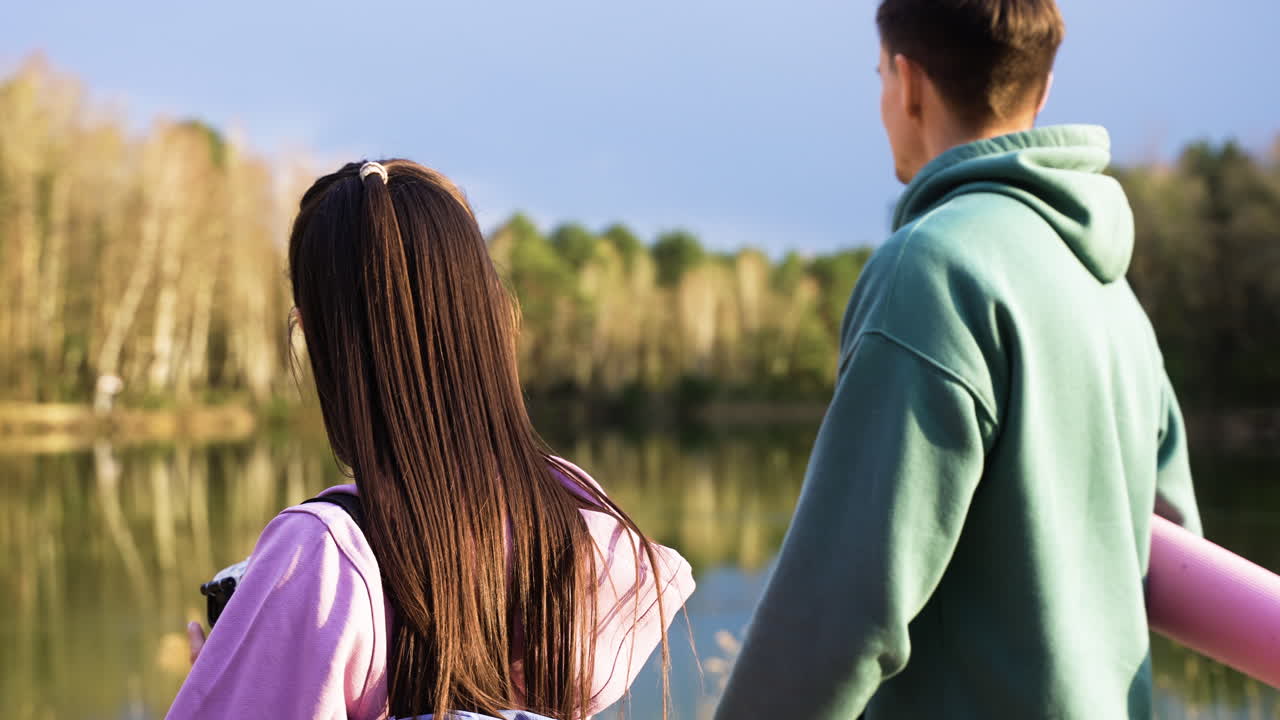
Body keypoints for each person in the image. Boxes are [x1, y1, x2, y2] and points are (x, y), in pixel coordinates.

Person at [713, 1, 1201, 718]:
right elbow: (1172, 542)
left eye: (880, 74)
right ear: (1042, 90)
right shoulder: (1115, 300)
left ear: (908, 84)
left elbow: (841, 612)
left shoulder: (931, 270)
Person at [169, 159, 695, 720]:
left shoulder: (323, 558)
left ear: (316, 338)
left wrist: (238, 677)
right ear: (495, 318)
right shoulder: (579, 532)